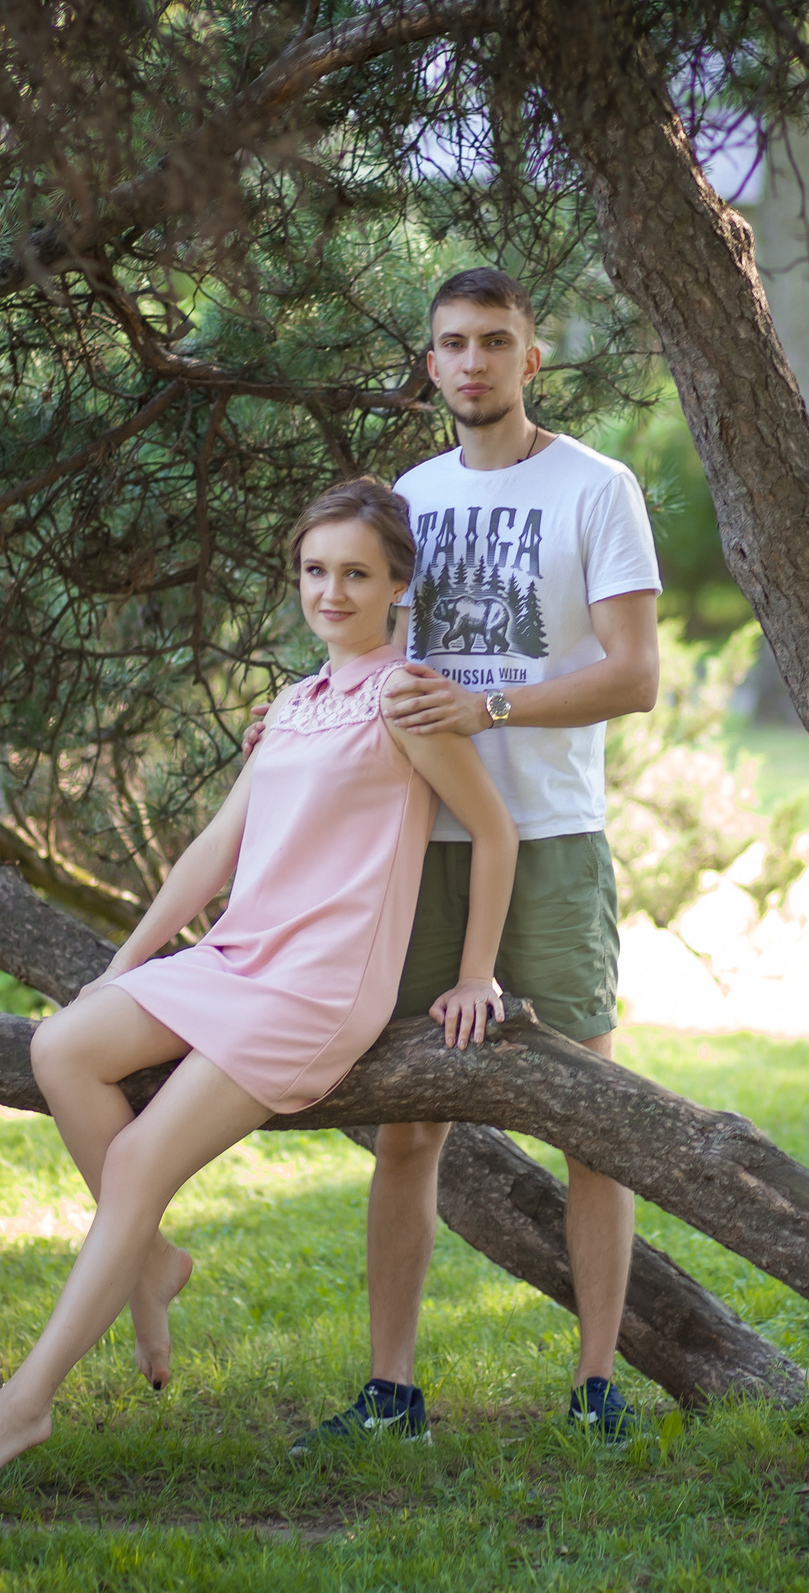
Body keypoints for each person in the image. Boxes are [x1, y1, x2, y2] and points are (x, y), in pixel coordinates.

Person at [0, 477, 517, 1490]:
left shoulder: (404, 698)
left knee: (139, 1157)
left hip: (318, 986)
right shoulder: (294, 703)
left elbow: (495, 832)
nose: (331, 592)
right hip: (237, 958)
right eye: (315, 570)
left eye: (356, 574)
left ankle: (26, 1402)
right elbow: (215, 848)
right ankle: (150, 1263)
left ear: (397, 587)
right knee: (61, 1045)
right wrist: (121, 968)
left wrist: (474, 976)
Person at [294, 267, 662, 1452]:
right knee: (408, 1127)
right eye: (452, 343)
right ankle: (390, 1393)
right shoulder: (412, 496)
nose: (472, 362)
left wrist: (490, 710)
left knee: (592, 1119)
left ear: (529, 359)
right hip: (419, 840)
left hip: (549, 839)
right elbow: (369, 653)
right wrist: (294, 721)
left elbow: (634, 675)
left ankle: (595, 1385)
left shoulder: (596, 487)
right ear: (431, 362)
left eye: (494, 341)